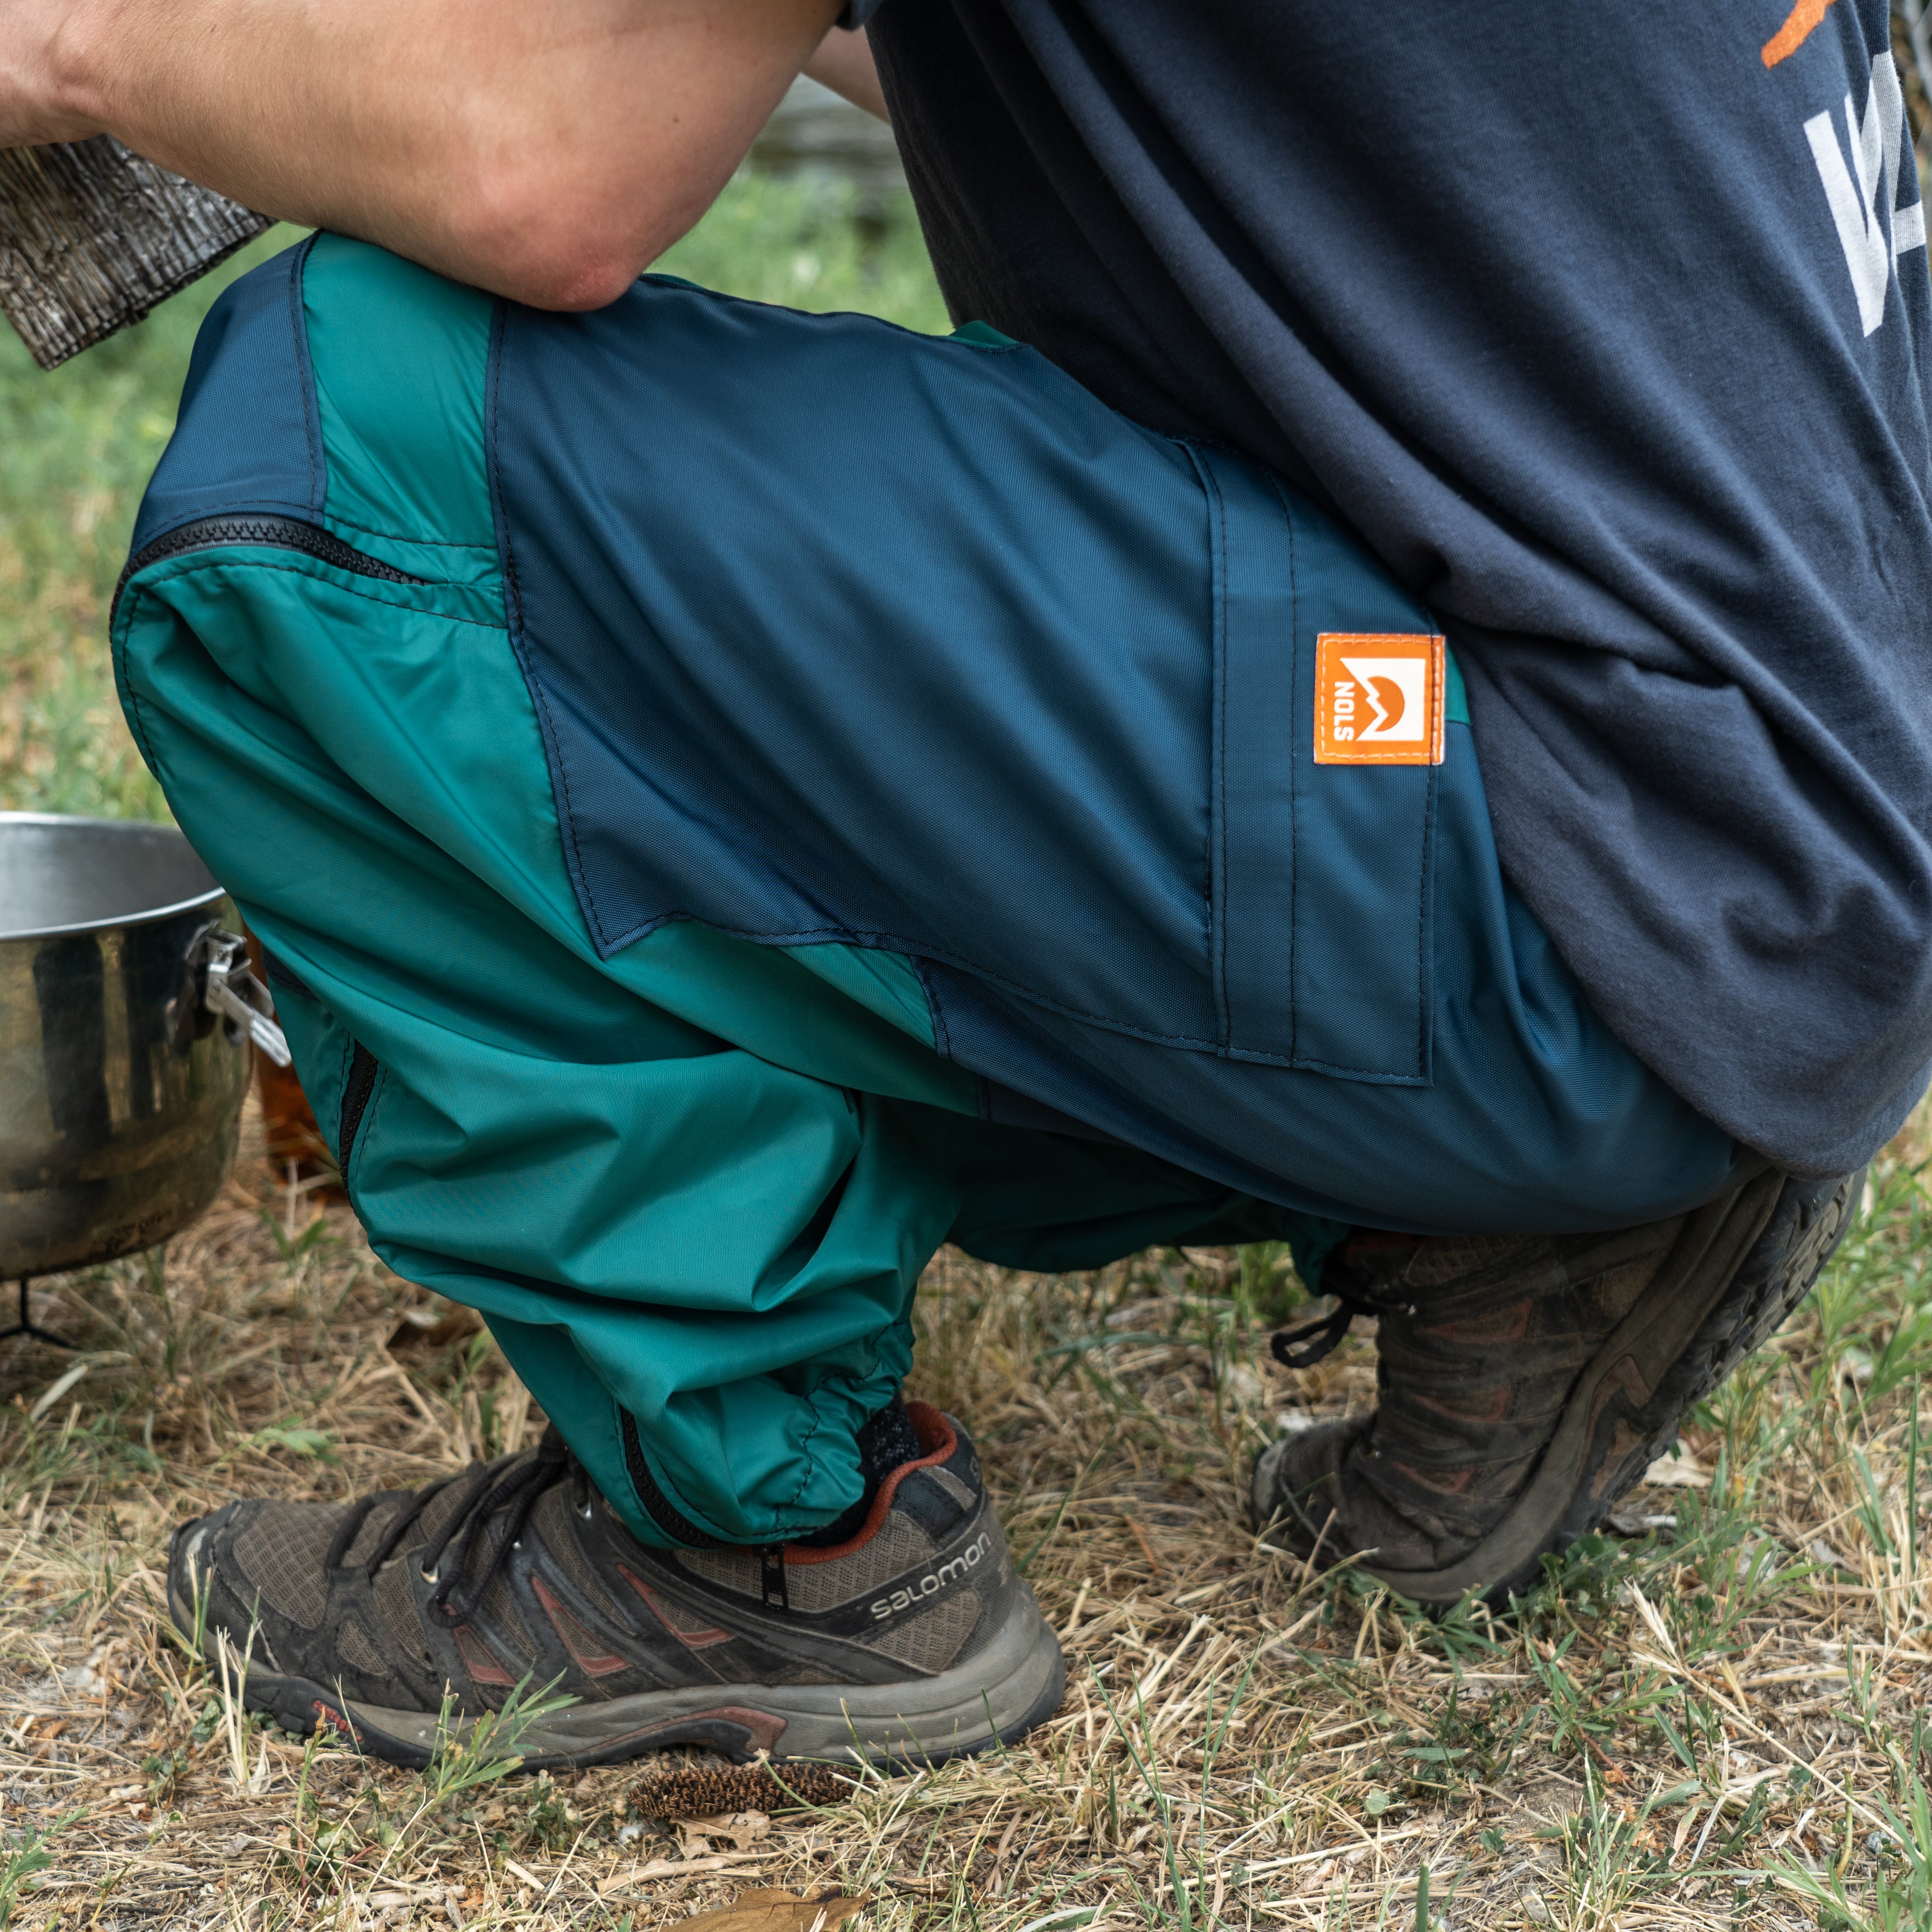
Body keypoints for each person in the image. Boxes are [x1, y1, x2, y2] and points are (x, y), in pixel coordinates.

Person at [3, 0, 1918, 1766]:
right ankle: (1513, 1224)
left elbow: (545, 159)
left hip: (1557, 860)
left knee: (334, 456)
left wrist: (79, 44)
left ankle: (771, 1544)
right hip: (1764, 858)